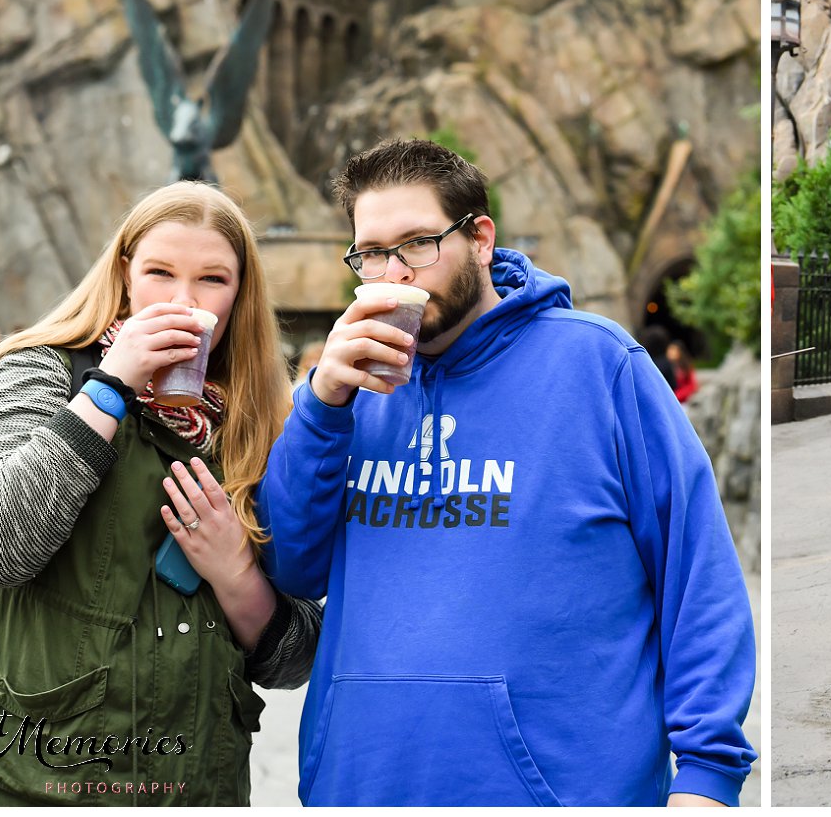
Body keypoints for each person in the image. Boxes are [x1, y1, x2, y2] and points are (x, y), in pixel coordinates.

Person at [257, 138, 756, 806]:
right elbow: (291, 566)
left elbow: (697, 573)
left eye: (416, 243)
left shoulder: (599, 366)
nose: (393, 272)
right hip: (361, 785)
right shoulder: (340, 395)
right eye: (371, 252)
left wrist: (706, 777)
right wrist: (320, 406)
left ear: (480, 237)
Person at [0, 182, 322, 805]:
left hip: (182, 781)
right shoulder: (38, 370)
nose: (183, 300)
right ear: (125, 274)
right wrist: (109, 389)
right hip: (15, 772)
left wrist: (236, 575)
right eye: (160, 272)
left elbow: (297, 657)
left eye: (212, 280)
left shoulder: (259, 428)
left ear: (239, 294)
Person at [667, 338, 701, 404]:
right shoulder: (665, 366)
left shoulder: (685, 366)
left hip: (681, 400)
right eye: (670, 349)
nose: (670, 352)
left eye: (674, 349)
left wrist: (676, 396)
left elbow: (692, 385)